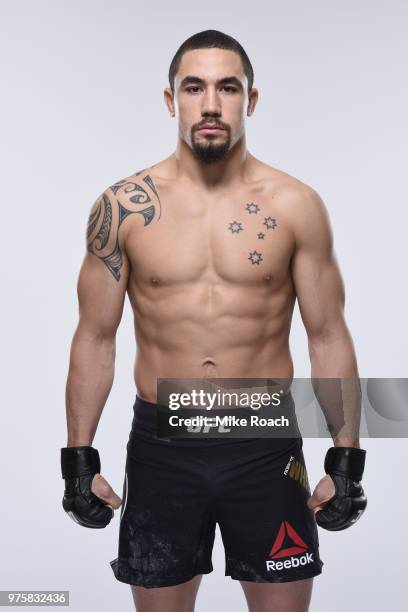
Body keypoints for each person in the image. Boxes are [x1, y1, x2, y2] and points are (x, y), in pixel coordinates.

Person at [61, 30, 367, 612]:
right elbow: (95, 338)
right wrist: (78, 460)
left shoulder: (295, 205)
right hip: (162, 443)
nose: (209, 104)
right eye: (193, 86)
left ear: (250, 100)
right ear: (170, 98)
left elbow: (327, 334)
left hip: (264, 440)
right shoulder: (123, 206)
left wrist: (346, 459)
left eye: (227, 87)